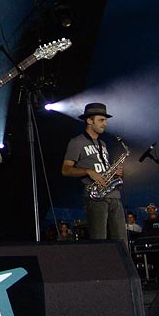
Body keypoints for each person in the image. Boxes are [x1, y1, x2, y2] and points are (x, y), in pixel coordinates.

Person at [61, 103, 127, 247]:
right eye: (101, 120)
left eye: (105, 120)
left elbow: (102, 168)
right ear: (89, 121)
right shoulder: (77, 142)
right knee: (99, 243)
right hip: (95, 197)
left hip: (114, 196)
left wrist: (114, 173)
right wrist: (88, 171)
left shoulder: (102, 143)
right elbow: (66, 170)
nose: (105, 124)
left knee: (122, 243)